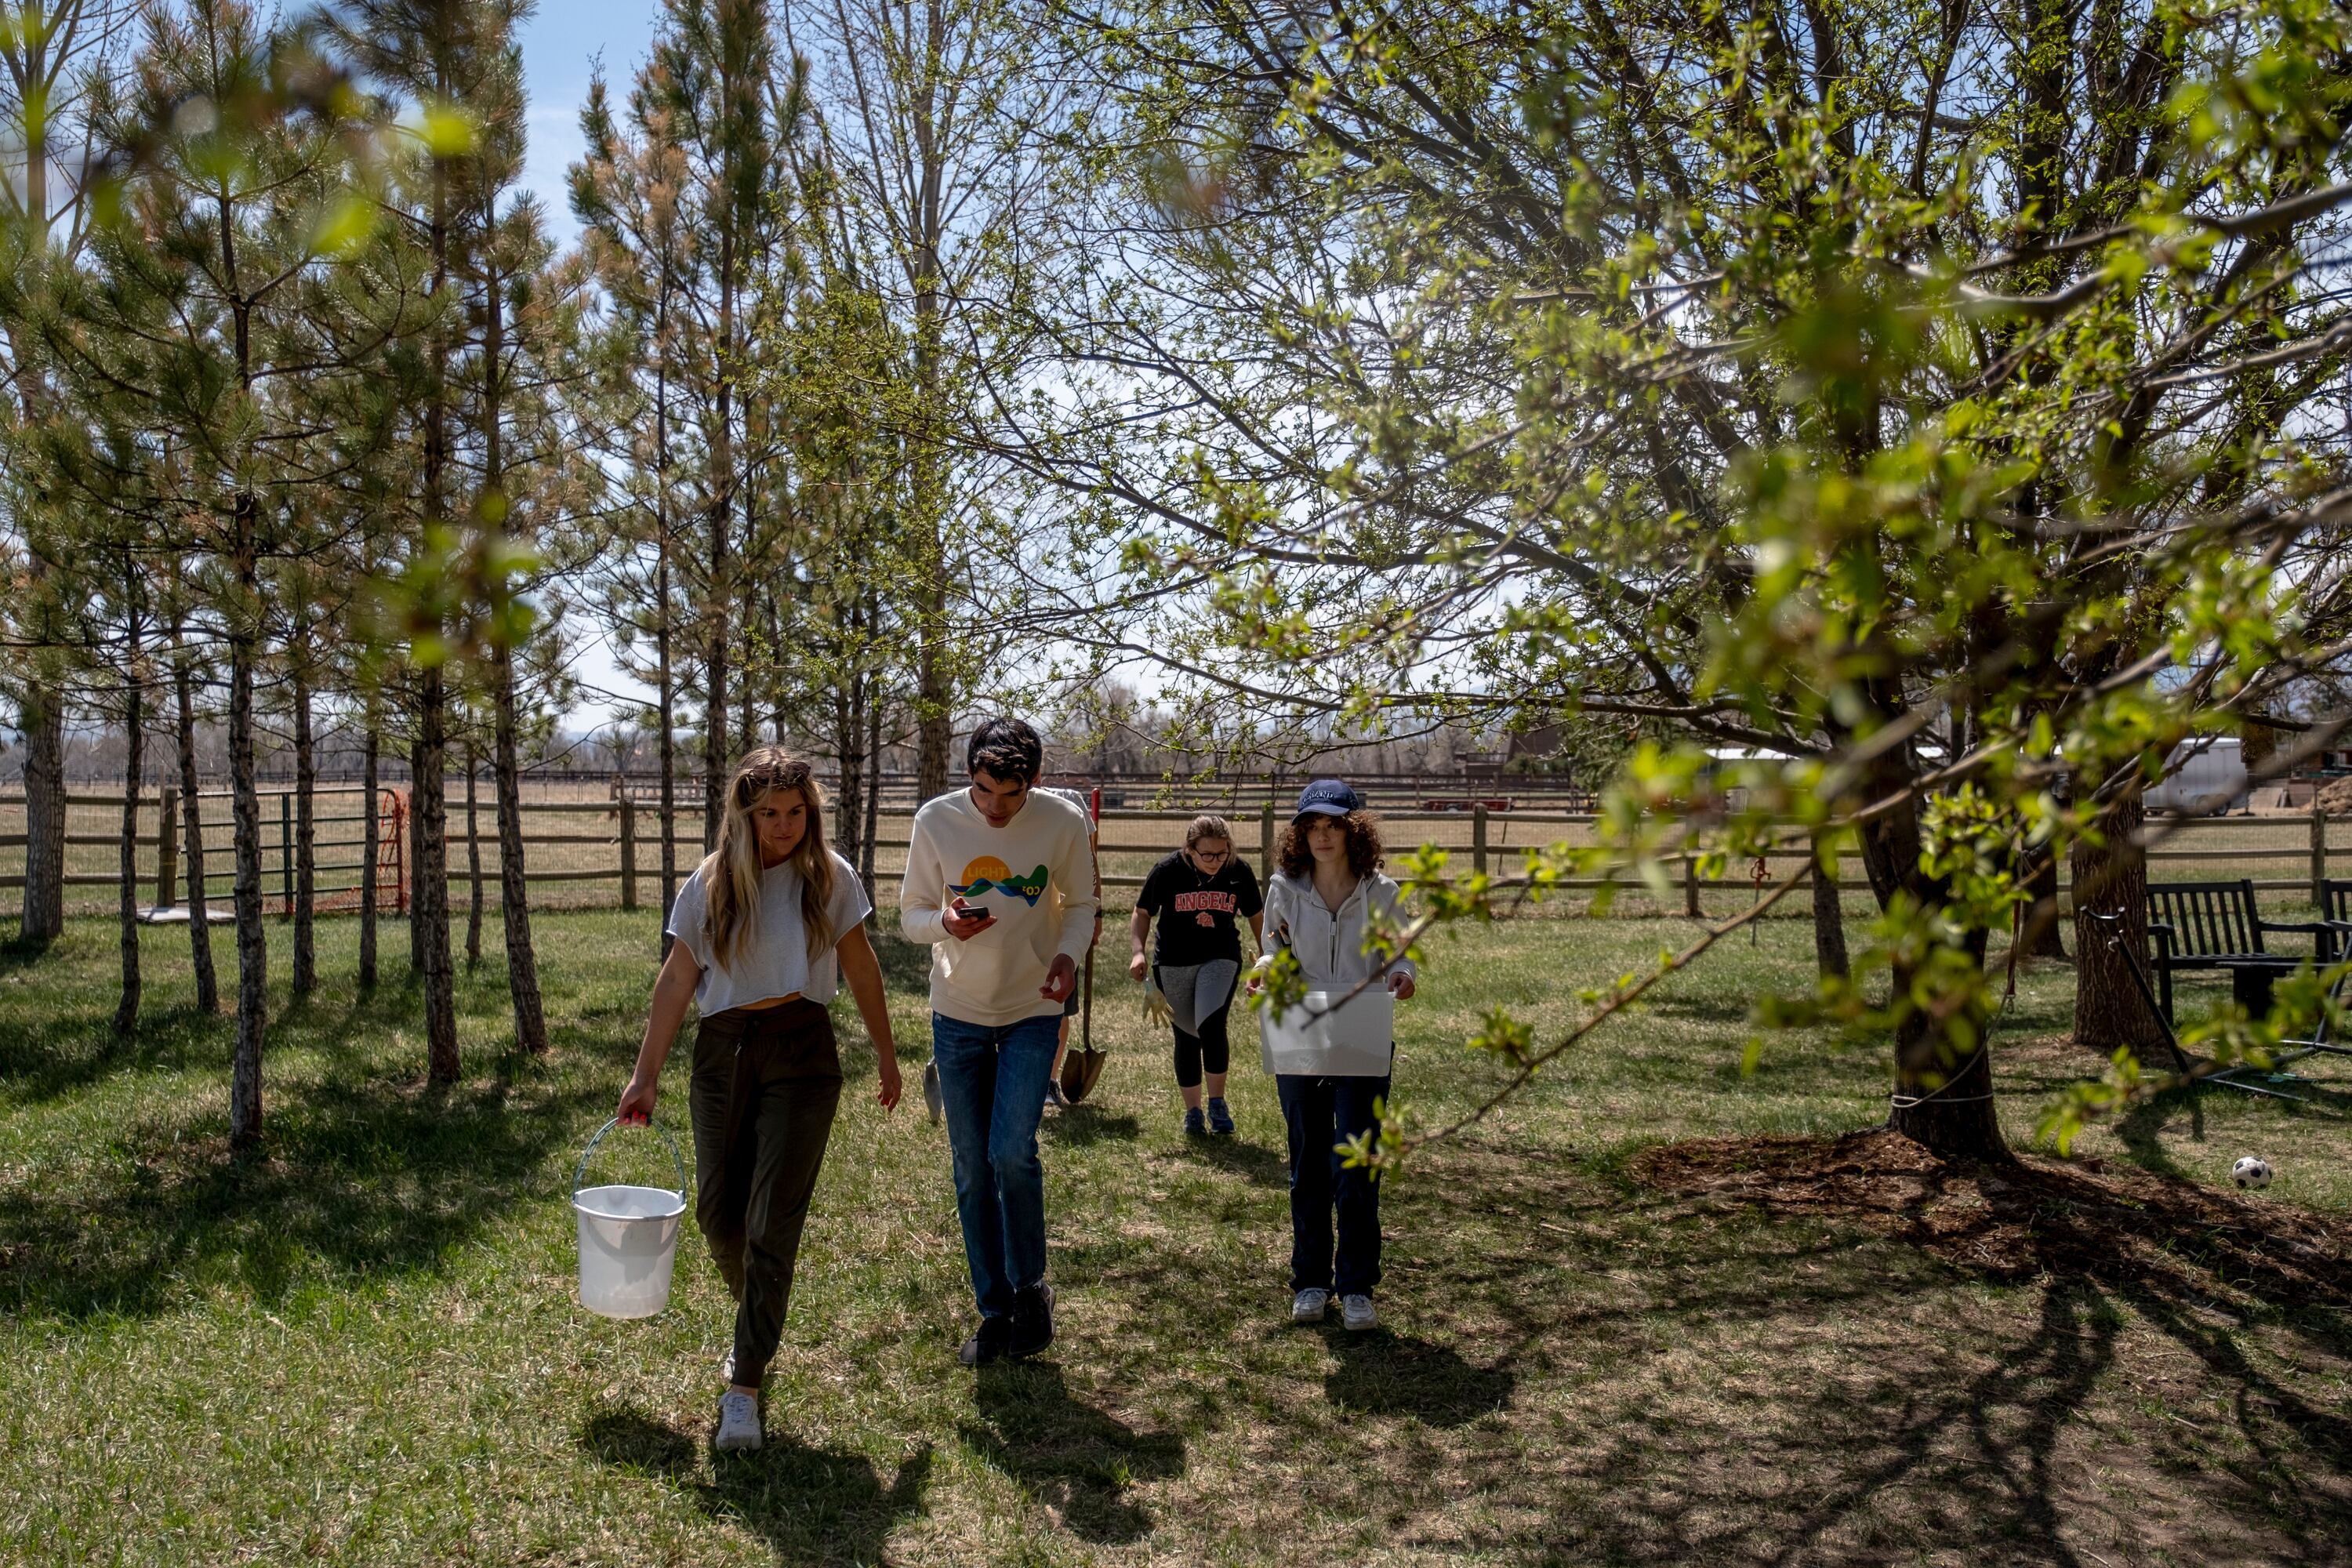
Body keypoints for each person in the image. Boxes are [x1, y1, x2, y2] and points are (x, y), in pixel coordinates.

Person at [616, 749, 902, 1454]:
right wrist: (644, 1075)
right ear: (744, 815)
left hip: (803, 1052)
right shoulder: (710, 885)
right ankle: (759, 1315)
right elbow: (678, 979)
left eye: (796, 812)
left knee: (773, 1217)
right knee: (719, 1214)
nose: (783, 826)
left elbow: (861, 966)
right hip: (722, 1053)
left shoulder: (831, 879)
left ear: (812, 813)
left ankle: (743, 1386)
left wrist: (888, 1054)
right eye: (769, 813)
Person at [901, 718, 1098, 1366]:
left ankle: (1030, 1288)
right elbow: (910, 915)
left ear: (1033, 782)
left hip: (1033, 1008)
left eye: (1010, 795)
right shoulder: (936, 821)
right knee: (970, 1167)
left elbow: (1080, 903)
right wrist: (945, 924)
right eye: (984, 791)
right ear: (970, 777)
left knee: (1010, 1152)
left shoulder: (1063, 822)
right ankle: (994, 1310)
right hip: (956, 1013)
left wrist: (1068, 956)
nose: (994, 808)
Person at [1250, 780, 1414, 1334]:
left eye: (1334, 826)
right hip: (1299, 1029)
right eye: (1312, 827)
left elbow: (1400, 956)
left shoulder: (1384, 892)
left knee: (1356, 1163)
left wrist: (1402, 976)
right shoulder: (1284, 888)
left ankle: (1357, 1286)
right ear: (1301, 834)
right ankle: (1312, 1282)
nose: (1322, 837)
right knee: (1308, 1164)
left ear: (1353, 830)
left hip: (1363, 1032)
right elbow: (1274, 949)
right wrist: (1265, 970)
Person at [1131, 814, 1263, 1135]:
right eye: (1208, 854)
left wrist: (1267, 956)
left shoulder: (1238, 871)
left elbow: (1257, 915)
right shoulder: (1167, 871)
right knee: (1187, 1037)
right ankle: (1194, 1112)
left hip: (1221, 958)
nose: (1216, 861)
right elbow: (1142, 912)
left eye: (1222, 853)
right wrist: (1138, 951)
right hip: (1173, 963)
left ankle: (1218, 1105)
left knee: (1211, 1025)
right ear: (1189, 850)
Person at [1036, 783, 1103, 1112]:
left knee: (1059, 1003)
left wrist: (1096, 911)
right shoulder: (999, 800)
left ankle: (1048, 1079)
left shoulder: (1069, 801)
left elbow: (1090, 862)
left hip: (1065, 922)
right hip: (1022, 922)